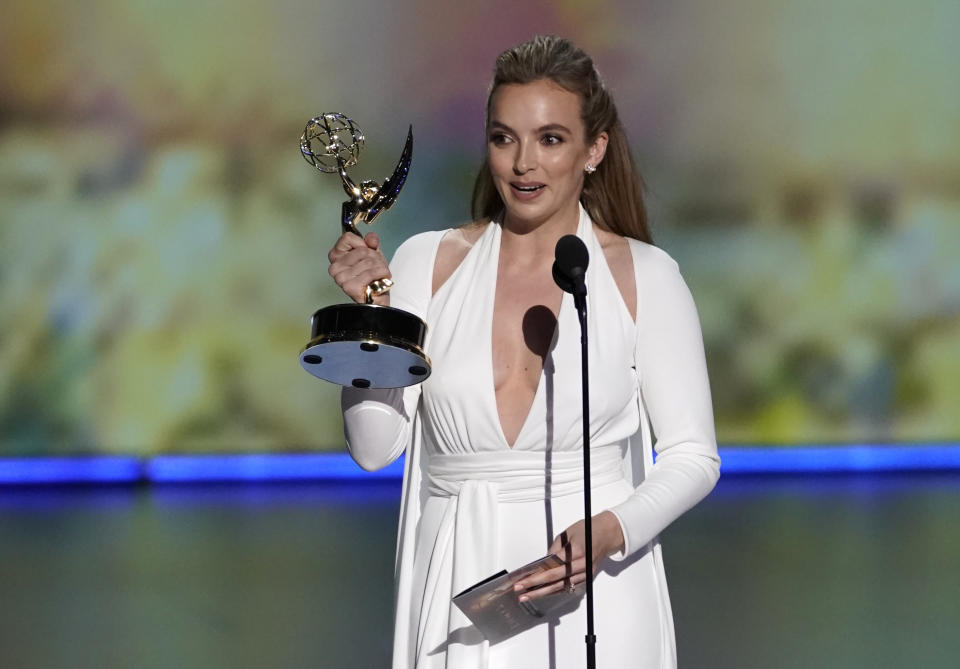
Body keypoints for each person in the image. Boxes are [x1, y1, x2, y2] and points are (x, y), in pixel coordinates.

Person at [327, 35, 720, 669]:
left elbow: (693, 455)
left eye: (551, 139)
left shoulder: (646, 276)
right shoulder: (426, 263)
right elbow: (375, 450)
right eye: (504, 137)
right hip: (459, 580)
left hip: (594, 584)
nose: (523, 164)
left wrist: (612, 532)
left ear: (594, 150)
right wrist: (372, 313)